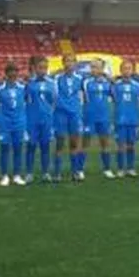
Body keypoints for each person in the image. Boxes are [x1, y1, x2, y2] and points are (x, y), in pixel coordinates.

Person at [24, 55, 57, 183]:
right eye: (40, 68)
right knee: (31, 146)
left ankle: (45, 172)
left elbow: (53, 101)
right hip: (32, 120)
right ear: (34, 68)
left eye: (45, 68)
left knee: (45, 146)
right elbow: (24, 99)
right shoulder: (28, 83)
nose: (43, 70)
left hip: (46, 120)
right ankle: (29, 173)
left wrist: (49, 114)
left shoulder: (51, 83)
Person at [53, 53, 85, 181]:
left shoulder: (80, 78)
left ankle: (75, 171)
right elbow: (54, 95)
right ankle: (57, 172)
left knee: (74, 143)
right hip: (60, 113)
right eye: (67, 61)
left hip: (74, 114)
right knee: (59, 143)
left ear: (75, 64)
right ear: (63, 63)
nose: (69, 64)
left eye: (72, 61)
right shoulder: (57, 78)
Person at [0, 63, 28, 186]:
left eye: (15, 71)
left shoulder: (23, 88)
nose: (13, 74)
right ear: (6, 73)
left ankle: (17, 175)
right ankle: (4, 175)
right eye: (11, 71)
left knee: (18, 148)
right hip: (4, 122)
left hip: (19, 122)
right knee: (4, 148)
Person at [82, 59, 115, 178]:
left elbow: (115, 96)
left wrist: (112, 81)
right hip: (89, 116)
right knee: (85, 142)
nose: (93, 69)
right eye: (92, 67)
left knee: (105, 142)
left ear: (102, 69)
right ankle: (80, 170)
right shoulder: (85, 81)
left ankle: (107, 169)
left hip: (104, 117)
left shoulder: (109, 82)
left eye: (96, 67)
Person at [112, 59, 139, 177]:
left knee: (131, 145)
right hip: (120, 119)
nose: (127, 71)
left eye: (129, 68)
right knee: (120, 145)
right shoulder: (115, 85)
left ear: (133, 71)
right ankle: (120, 169)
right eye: (124, 68)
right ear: (120, 70)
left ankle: (130, 168)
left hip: (133, 119)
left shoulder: (137, 86)